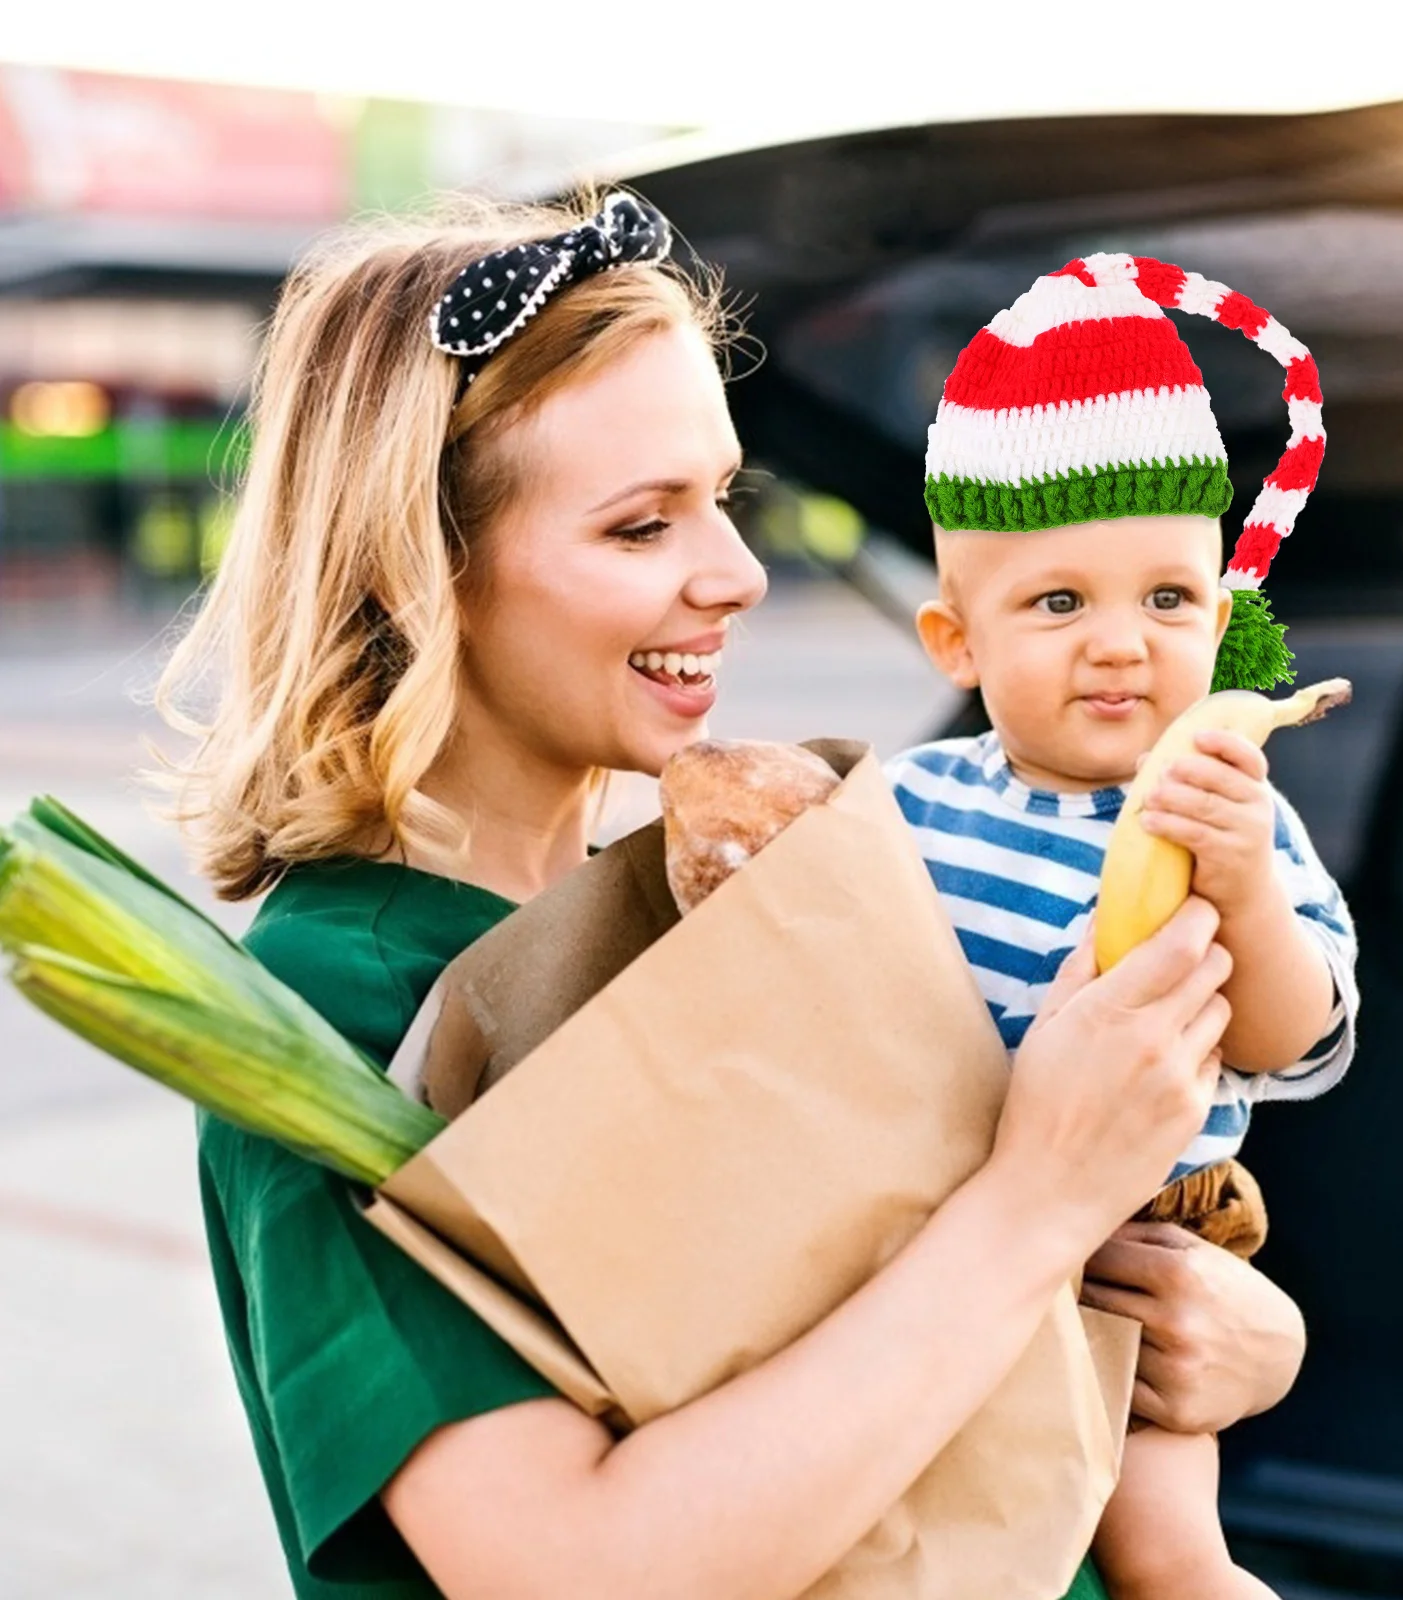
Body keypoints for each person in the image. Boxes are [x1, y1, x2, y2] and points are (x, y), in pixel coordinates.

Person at [152, 195, 1309, 1600]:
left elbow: (889, 1307)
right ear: (423, 568)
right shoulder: (335, 1007)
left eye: (726, 500)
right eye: (643, 528)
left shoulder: (692, 909)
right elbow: (575, 1571)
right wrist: (1039, 1201)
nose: (739, 576)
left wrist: (1222, 1334)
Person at [883, 252, 1360, 1600]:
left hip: (1148, 1239)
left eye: (1167, 600)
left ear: (1223, 616)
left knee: (1167, 1560)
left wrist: (1247, 892)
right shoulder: (904, 805)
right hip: (924, 1214)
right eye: (1058, 602)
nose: (1119, 644)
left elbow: (1293, 1037)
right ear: (953, 642)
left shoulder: (1235, 815)